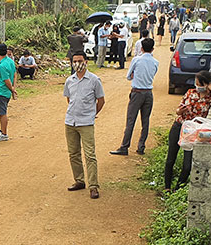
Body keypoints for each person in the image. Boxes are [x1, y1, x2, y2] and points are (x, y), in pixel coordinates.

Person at [163, 71, 211, 191]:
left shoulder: (210, 97)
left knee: (187, 165)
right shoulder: (190, 93)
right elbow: (178, 110)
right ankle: (167, 187)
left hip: (193, 133)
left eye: (199, 84)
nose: (197, 86)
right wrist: (180, 111)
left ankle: (177, 188)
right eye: (196, 83)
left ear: (206, 84)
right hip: (179, 126)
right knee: (170, 159)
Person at [63, 51, 106, 199]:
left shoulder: (94, 80)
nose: (77, 64)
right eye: (74, 61)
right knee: (73, 153)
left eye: (80, 61)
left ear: (86, 62)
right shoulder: (69, 80)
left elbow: (101, 100)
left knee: (90, 155)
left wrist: (92, 114)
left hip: (86, 123)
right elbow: (69, 99)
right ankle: (79, 180)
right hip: (70, 122)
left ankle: (93, 186)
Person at [112, 38, 158, 156]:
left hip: (137, 92)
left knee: (131, 120)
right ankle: (141, 146)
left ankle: (124, 146)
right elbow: (152, 74)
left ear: (141, 48)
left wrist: (134, 75)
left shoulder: (136, 60)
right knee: (145, 121)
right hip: (148, 93)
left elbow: (128, 76)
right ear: (153, 49)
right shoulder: (155, 62)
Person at [0, 43, 17, 142]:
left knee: (2, 113)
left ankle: (4, 134)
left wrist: (12, 89)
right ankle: (2, 130)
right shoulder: (10, 61)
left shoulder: (2, 66)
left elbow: (6, 80)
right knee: (1, 112)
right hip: (6, 92)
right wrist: (13, 88)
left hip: (2, 92)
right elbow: (15, 74)